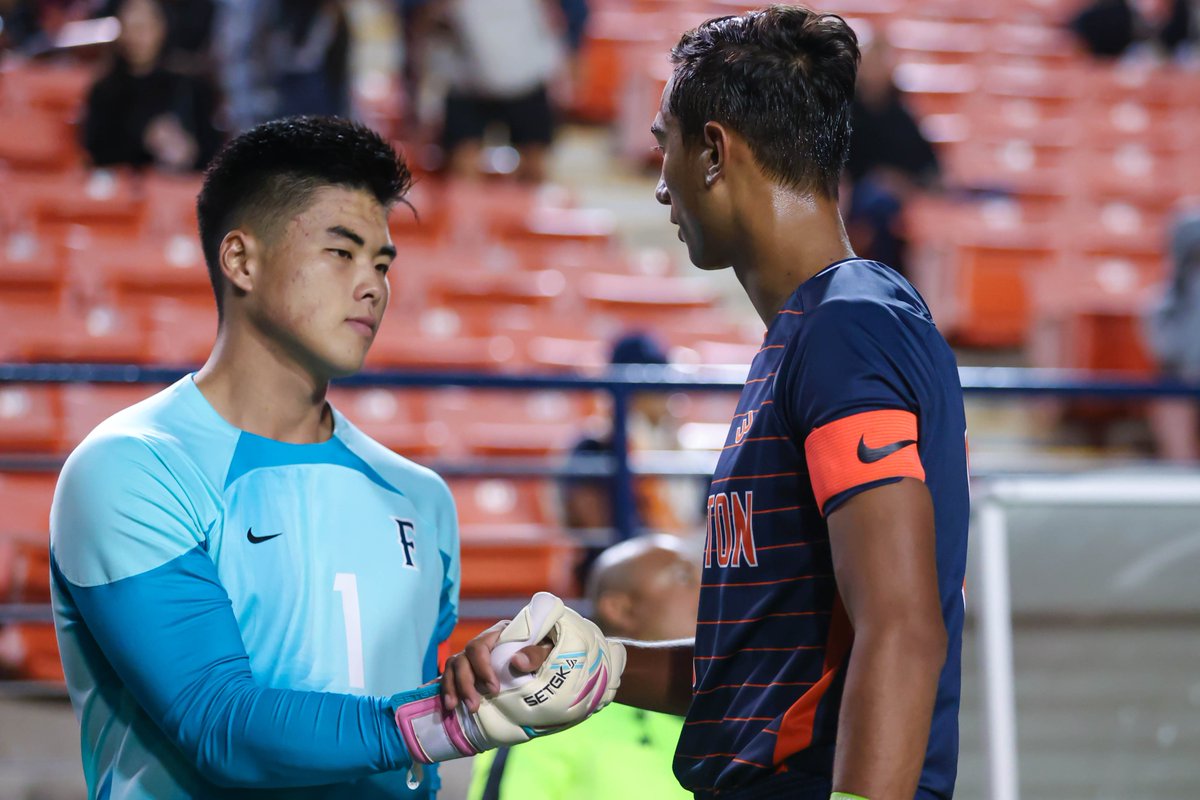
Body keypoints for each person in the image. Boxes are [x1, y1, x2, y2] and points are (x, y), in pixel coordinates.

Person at [442, 7, 970, 800]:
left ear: (715, 151)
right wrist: (608, 662)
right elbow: (766, 677)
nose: (661, 186)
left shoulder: (847, 328)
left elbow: (901, 625)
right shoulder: (811, 335)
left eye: (666, 148)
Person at [49, 116, 623, 800]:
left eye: (381, 263)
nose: (373, 285)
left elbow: (407, 728)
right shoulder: (130, 469)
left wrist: (497, 676)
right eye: (341, 253)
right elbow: (220, 726)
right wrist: (457, 723)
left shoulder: (420, 497)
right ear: (241, 261)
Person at [467, 534, 698, 800]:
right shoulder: (549, 706)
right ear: (620, 609)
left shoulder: (719, 705)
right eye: (684, 577)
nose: (708, 591)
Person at [413, 0, 589, 183]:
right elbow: (419, 17)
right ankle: (466, 210)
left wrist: (573, 59)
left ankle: (526, 210)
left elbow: (575, 12)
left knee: (534, 163)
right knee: (462, 165)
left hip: (527, 73)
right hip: (465, 78)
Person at [82, 0, 222, 171]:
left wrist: (190, 151)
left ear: (163, 27)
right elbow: (96, 153)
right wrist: (144, 138)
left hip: (178, 190)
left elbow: (213, 154)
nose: (137, 36)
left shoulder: (190, 86)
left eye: (144, 27)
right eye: (131, 26)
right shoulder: (105, 89)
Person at [844, 28, 940, 277]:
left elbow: (928, 165)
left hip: (900, 197)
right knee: (878, 202)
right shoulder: (847, 112)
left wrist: (902, 184)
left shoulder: (901, 113)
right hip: (857, 196)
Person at [215, 0, 351, 132]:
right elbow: (246, 48)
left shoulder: (330, 15)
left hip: (317, 85)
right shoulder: (267, 9)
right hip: (279, 88)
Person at [1143, 207, 1200, 462]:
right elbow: (1161, 346)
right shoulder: (1164, 301)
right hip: (1182, 375)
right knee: (1172, 394)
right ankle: (1181, 466)